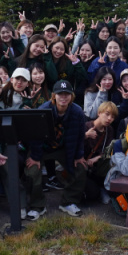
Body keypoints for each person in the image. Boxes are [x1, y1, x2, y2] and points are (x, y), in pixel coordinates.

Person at [25, 80, 88, 218]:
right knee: (32, 170)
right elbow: (35, 136)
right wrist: (35, 157)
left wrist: (79, 155)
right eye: (60, 94)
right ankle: (37, 205)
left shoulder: (77, 112)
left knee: (81, 167)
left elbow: (79, 137)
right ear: (54, 96)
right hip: (43, 148)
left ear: (71, 96)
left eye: (67, 94)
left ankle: (68, 202)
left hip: (64, 148)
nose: (63, 97)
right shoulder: (43, 110)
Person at [81, 102, 119, 205]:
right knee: (91, 194)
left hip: (97, 165)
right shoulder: (86, 126)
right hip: (82, 164)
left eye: (113, 116)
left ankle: (102, 188)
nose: (109, 118)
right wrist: (85, 135)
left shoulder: (109, 130)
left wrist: (95, 158)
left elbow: (108, 150)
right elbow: (74, 145)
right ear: (99, 113)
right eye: (107, 114)